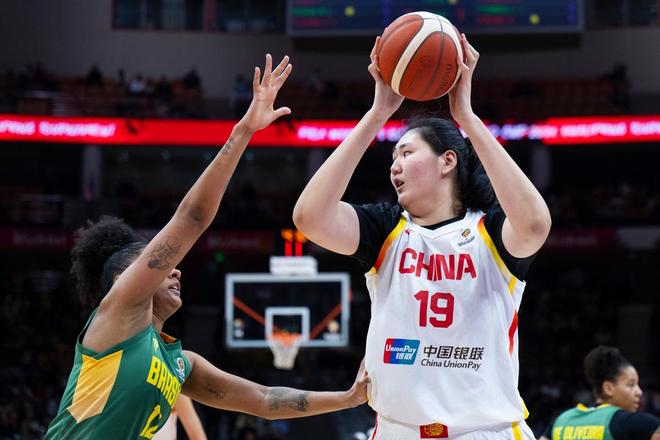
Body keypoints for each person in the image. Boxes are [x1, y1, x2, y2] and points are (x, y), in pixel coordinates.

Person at [44, 54, 368, 439]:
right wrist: (244, 130)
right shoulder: (117, 314)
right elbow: (192, 218)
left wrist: (347, 398)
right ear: (122, 280)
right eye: (159, 265)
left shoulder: (180, 365)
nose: (175, 268)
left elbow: (263, 400)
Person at [293, 34, 552, 439]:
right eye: (393, 157)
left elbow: (536, 224)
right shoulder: (387, 229)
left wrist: (467, 118)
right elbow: (309, 217)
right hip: (397, 430)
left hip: (484, 431)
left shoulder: (490, 232)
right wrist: (377, 114)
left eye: (407, 153)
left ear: (448, 161)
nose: (394, 166)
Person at [539, 346, 660, 440]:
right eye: (631, 384)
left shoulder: (560, 421)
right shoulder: (630, 421)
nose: (639, 392)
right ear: (608, 388)